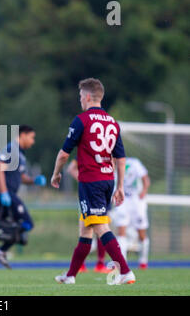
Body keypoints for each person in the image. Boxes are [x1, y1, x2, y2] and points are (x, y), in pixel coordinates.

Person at [51, 78, 135, 285]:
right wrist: (121, 186)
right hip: (107, 181)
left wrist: (56, 174)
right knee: (86, 230)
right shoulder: (113, 122)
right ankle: (70, 276)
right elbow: (120, 158)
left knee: (100, 227)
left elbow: (63, 155)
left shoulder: (81, 120)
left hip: (91, 181)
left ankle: (125, 270)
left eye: (81, 96)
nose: (80, 100)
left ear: (88, 97)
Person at [0, 125, 46, 269]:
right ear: (23, 135)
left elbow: (20, 177)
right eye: (32, 137)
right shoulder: (12, 149)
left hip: (9, 194)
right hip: (4, 194)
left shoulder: (21, 154)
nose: (33, 141)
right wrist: (3, 192)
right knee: (27, 223)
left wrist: (33, 180)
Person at [67, 159, 111, 273]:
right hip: (89, 194)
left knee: (98, 230)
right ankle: (83, 264)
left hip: (102, 193)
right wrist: (85, 181)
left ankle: (98, 264)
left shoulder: (107, 151)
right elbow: (71, 168)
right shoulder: (89, 152)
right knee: (90, 230)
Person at [110, 157, 150, 269]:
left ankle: (143, 260)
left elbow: (145, 179)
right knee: (121, 231)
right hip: (122, 202)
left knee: (141, 233)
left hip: (136, 202)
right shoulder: (110, 166)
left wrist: (143, 191)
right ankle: (123, 263)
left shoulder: (134, 163)